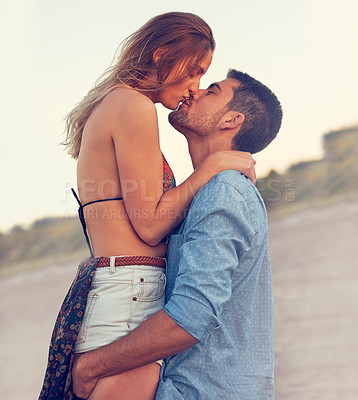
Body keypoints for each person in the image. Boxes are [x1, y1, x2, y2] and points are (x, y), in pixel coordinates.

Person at [39, 13, 256, 400]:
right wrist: (214, 166)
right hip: (129, 296)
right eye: (195, 71)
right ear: (162, 55)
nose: (195, 87)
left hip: (126, 290)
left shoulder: (118, 104)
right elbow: (151, 225)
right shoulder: (133, 106)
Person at [71, 69, 283, 400]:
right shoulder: (202, 193)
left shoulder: (223, 192)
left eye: (211, 90)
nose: (194, 91)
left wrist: (91, 366)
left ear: (231, 120)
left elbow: (192, 315)